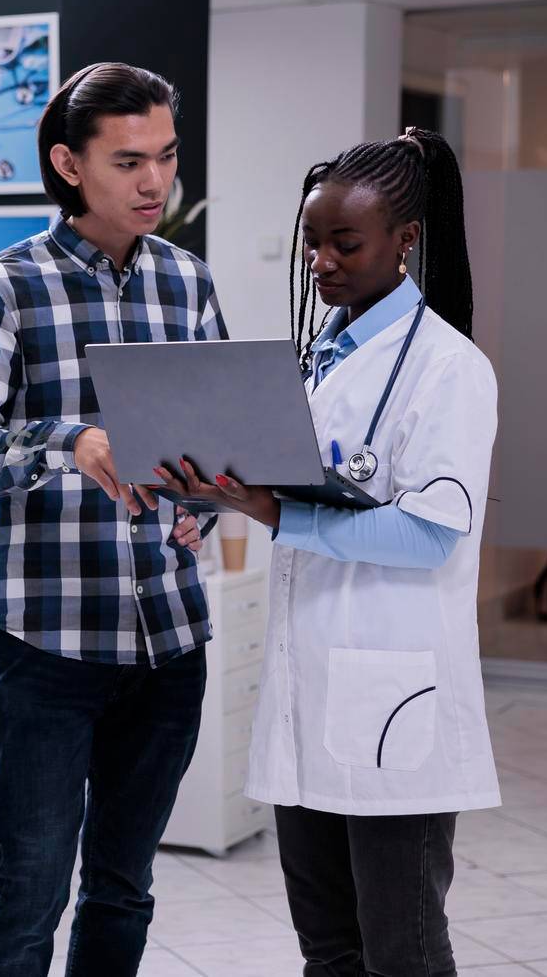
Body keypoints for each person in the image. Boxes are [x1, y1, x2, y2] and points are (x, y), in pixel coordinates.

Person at [158, 128, 496, 976]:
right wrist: (215, 495)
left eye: (345, 242)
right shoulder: (324, 359)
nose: (323, 260)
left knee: (403, 949)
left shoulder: (450, 369)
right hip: (311, 685)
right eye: (314, 240)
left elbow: (426, 533)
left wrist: (274, 509)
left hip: (391, 700)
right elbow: (296, 487)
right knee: (329, 946)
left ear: (404, 241)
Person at [0, 62, 223, 977]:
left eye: (168, 157)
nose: (154, 182)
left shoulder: (189, 282)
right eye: (128, 160)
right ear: (68, 163)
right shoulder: (3, 285)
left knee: (125, 887)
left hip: (170, 640)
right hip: (49, 646)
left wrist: (204, 508)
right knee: (29, 893)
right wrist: (71, 441)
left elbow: (218, 443)